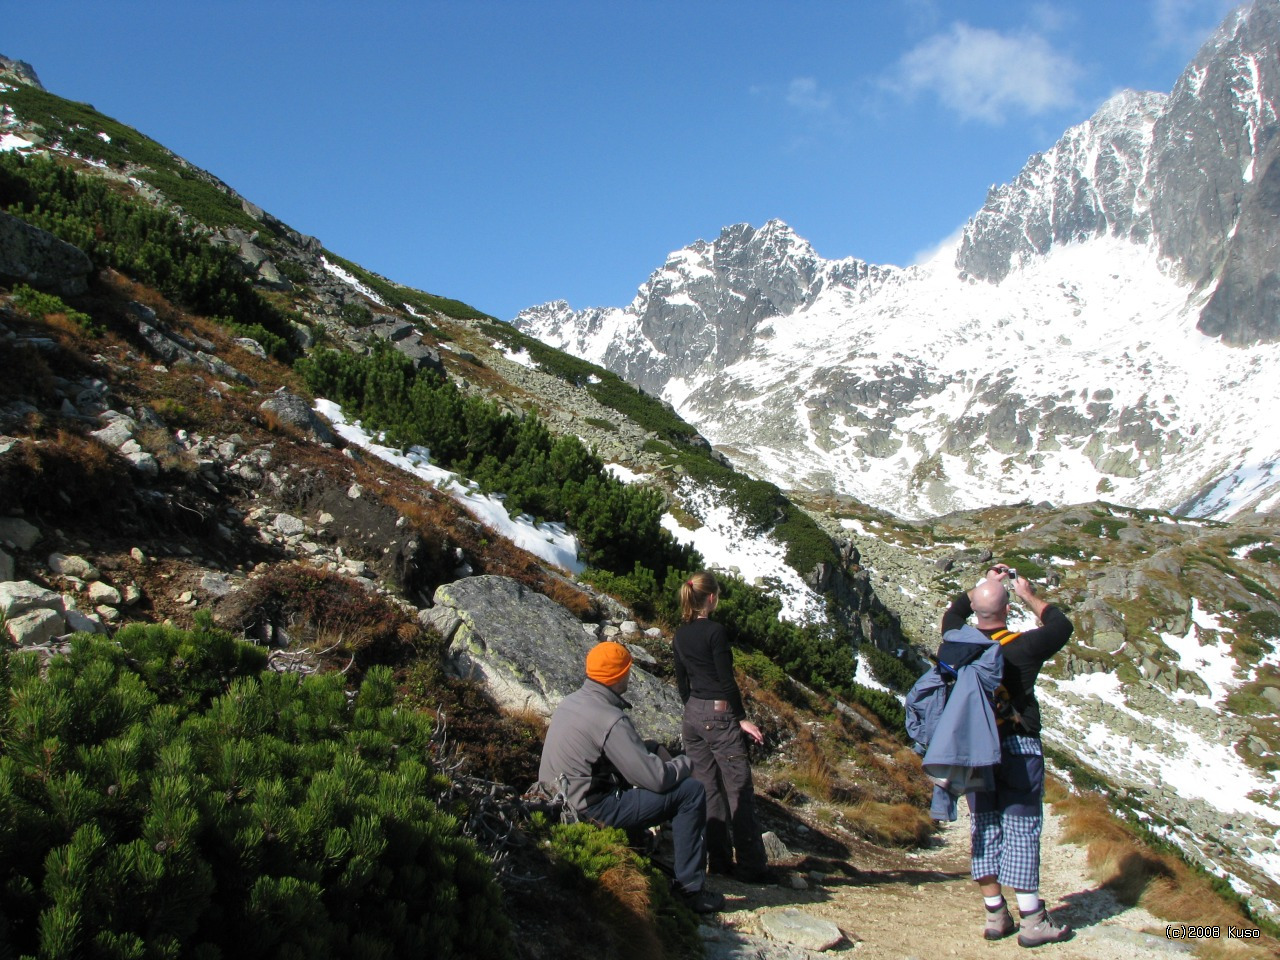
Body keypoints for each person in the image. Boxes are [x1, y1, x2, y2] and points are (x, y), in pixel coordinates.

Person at [538, 640, 725, 913]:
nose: (629, 675)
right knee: (691, 792)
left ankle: (648, 845)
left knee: (647, 750)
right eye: (627, 670)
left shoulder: (572, 702)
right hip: (589, 810)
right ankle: (690, 891)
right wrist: (686, 764)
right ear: (617, 677)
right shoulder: (610, 718)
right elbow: (656, 778)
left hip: (557, 799)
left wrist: (652, 751)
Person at [940, 565, 1074, 947]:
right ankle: (1033, 920)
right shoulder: (1021, 648)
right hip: (1018, 747)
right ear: (1007, 611)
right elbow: (1061, 626)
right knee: (1022, 828)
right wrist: (1029, 595)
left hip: (976, 751)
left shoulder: (955, 642)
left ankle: (996, 914)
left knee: (984, 827)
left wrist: (984, 584)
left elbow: (953, 612)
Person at [672, 572, 775, 884]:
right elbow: (726, 679)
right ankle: (752, 866)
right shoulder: (715, 632)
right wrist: (739, 717)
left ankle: (717, 860)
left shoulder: (679, 634)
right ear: (712, 598)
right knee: (738, 787)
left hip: (692, 715)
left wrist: (694, 705)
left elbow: (681, 681)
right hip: (719, 713)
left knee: (707, 787)